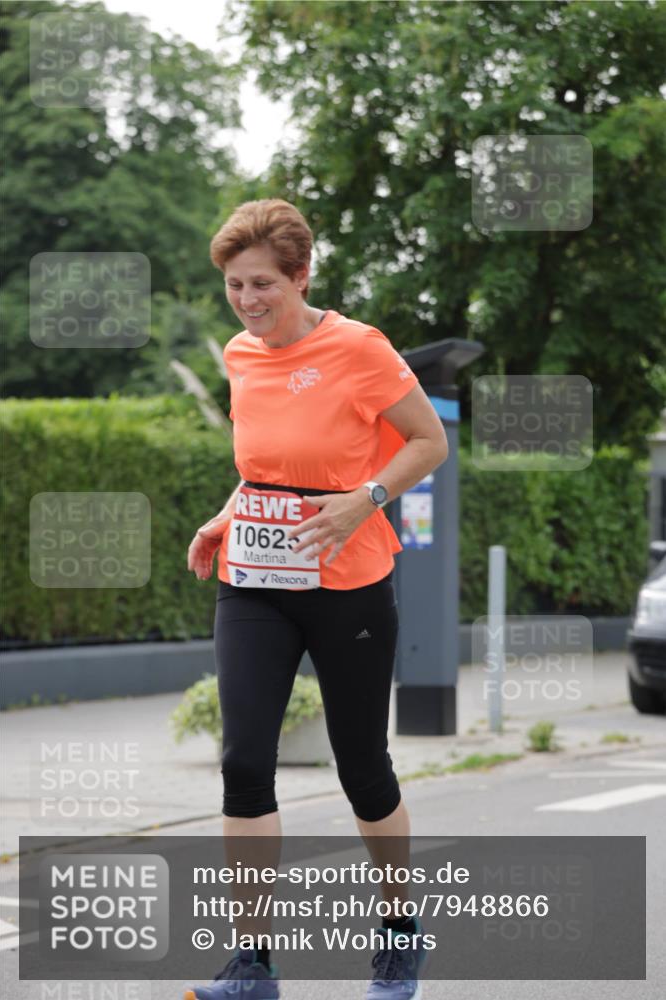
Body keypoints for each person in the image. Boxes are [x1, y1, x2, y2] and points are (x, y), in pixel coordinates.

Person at [184, 199, 448, 1000]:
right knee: (242, 762)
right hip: (255, 582)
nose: (248, 300)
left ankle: (400, 933)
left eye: (262, 283)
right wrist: (226, 516)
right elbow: (268, 468)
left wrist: (366, 497)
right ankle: (253, 965)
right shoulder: (238, 354)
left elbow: (430, 441)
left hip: (350, 585)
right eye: (234, 285)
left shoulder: (358, 348)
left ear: (301, 276)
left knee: (362, 769)